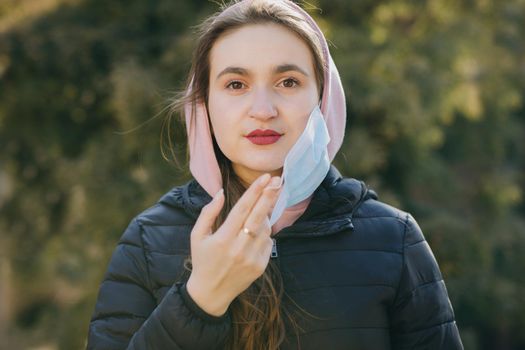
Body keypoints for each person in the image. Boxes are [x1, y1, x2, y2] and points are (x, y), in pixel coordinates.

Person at [87, 0, 464, 349]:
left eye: (288, 82)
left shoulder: (393, 240)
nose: (263, 109)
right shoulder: (148, 240)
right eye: (236, 84)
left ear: (323, 98)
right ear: (204, 103)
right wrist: (200, 299)